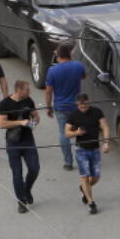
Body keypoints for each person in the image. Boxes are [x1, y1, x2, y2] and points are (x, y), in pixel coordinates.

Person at [64, 94, 110, 215]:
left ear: (88, 102)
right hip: (81, 150)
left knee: (95, 177)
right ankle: (91, 203)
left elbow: (104, 126)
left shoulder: (97, 112)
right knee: (84, 175)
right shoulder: (73, 115)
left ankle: (83, 189)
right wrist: (77, 132)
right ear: (77, 104)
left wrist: (106, 142)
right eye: (80, 106)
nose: (82, 108)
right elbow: (67, 133)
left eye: (84, 105)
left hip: (95, 149)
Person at [0, 80, 39, 213]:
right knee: (17, 173)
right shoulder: (5, 104)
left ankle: (26, 190)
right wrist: (20, 122)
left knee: (34, 168)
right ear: (19, 90)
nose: (29, 92)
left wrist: (34, 122)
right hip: (13, 142)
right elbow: (2, 124)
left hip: (28, 140)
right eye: (27, 90)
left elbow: (36, 116)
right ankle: (21, 201)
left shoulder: (29, 101)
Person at [44, 42, 85, 170]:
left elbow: (48, 91)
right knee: (80, 131)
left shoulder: (52, 70)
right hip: (77, 106)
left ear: (58, 56)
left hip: (61, 107)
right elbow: (84, 76)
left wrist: (48, 107)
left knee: (64, 133)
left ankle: (68, 162)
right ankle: (82, 158)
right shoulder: (78, 65)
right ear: (70, 54)